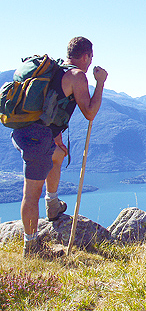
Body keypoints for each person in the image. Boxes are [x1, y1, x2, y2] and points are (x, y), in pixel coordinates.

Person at [11, 37, 108, 258]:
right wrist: (100, 82)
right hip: (36, 138)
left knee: (58, 154)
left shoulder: (56, 71)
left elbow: (49, 107)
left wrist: (56, 136)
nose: (91, 62)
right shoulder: (77, 76)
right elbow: (90, 112)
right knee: (31, 193)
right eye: (91, 58)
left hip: (26, 131)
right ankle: (32, 248)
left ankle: (52, 205)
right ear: (86, 56)